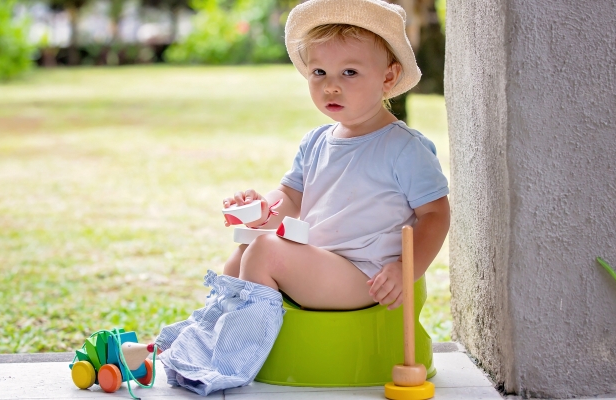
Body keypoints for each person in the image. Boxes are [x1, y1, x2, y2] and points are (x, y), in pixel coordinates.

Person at [155, 0, 449, 395]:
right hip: (319, 261)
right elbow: (291, 196)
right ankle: (207, 333)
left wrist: (404, 270)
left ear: (389, 76)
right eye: (319, 72)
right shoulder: (316, 142)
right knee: (244, 251)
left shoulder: (403, 148)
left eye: (349, 71)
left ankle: (228, 359)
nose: (331, 85)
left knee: (264, 253)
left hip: (365, 276)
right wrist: (264, 210)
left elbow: (435, 214)